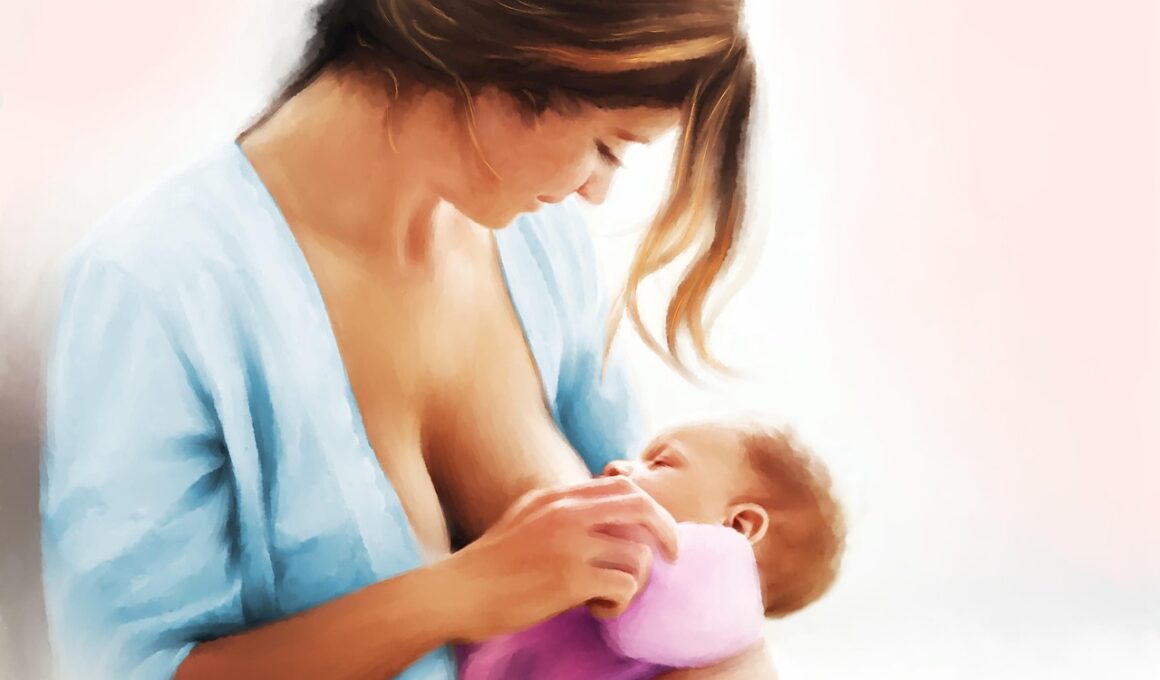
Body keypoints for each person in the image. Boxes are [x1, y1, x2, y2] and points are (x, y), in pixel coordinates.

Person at [40, 1, 768, 678]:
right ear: (511, 58)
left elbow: (674, 580)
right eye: (607, 146)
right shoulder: (157, 289)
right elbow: (126, 669)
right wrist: (457, 596)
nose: (596, 191)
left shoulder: (543, 248)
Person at [458, 422, 847, 679]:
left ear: (737, 528)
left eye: (659, 462)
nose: (616, 466)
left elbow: (671, 597)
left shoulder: (719, 592)